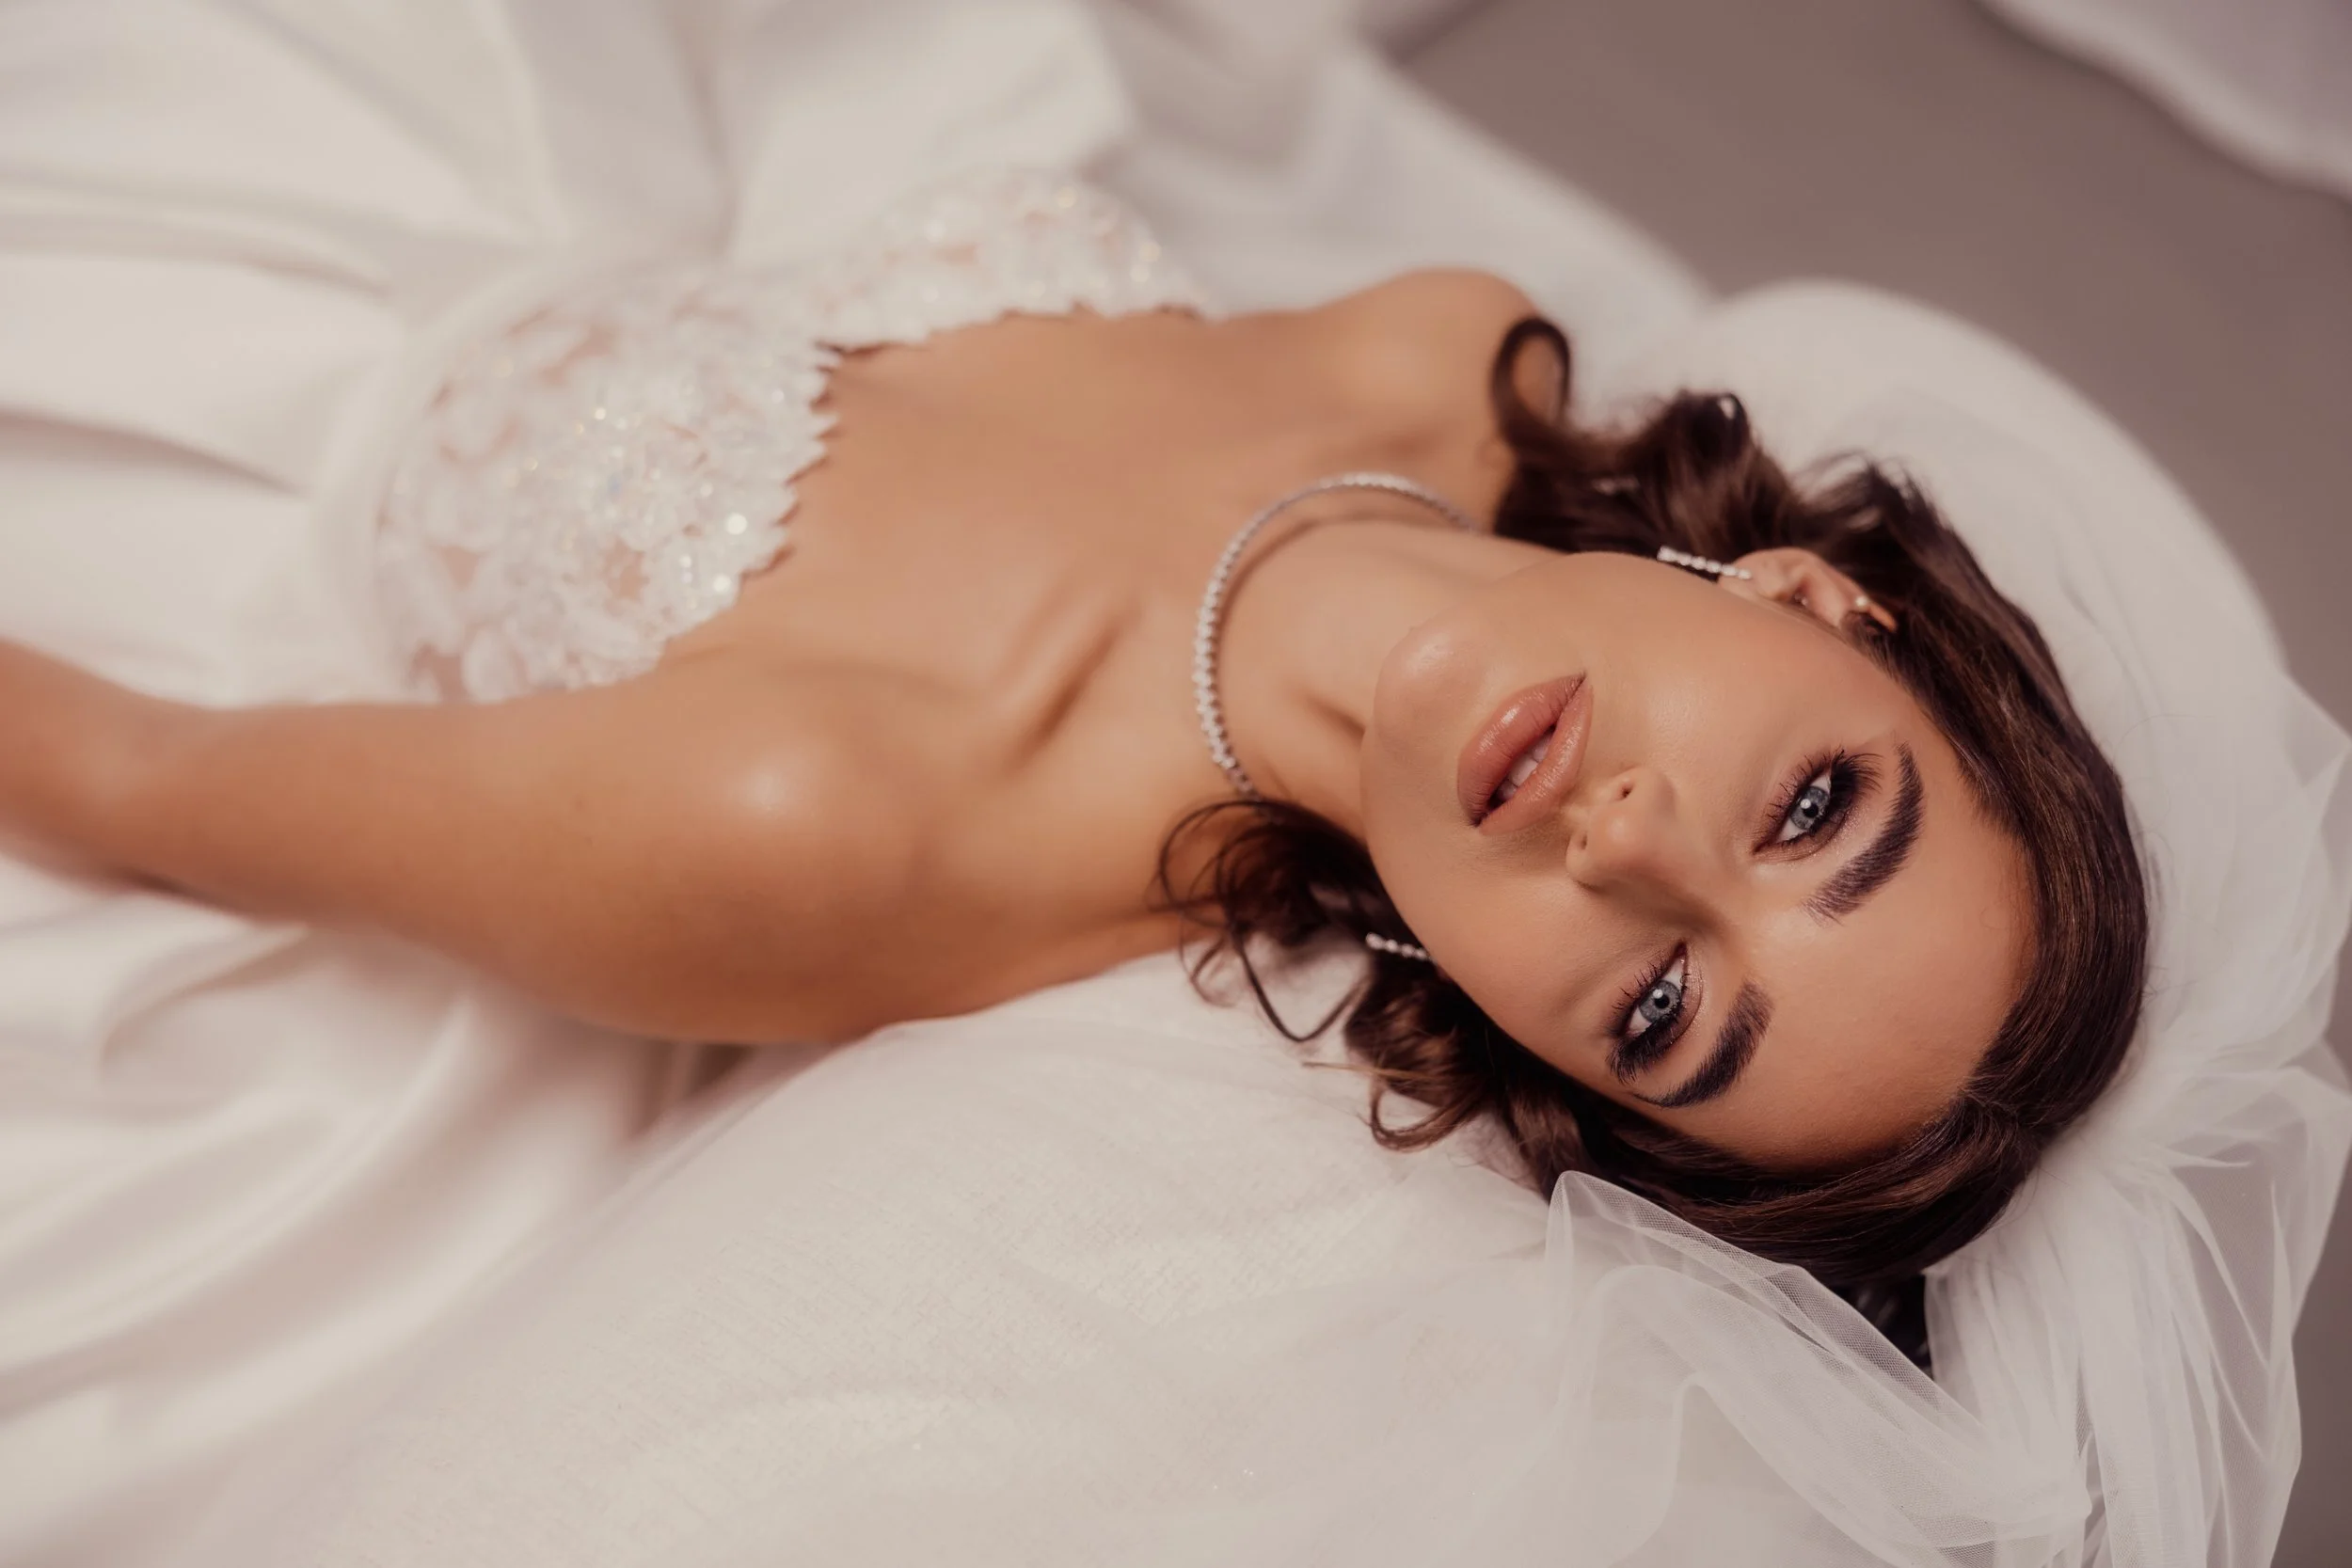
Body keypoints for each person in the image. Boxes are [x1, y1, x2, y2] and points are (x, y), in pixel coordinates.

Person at [0, 166, 2144, 1333]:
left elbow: (129, 778)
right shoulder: (1449, 337)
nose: (1632, 846)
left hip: (188, 406)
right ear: (1794, 594)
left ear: (1539, 1043)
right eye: (1810, 806)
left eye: (1667, 1005)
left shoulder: (822, 823)